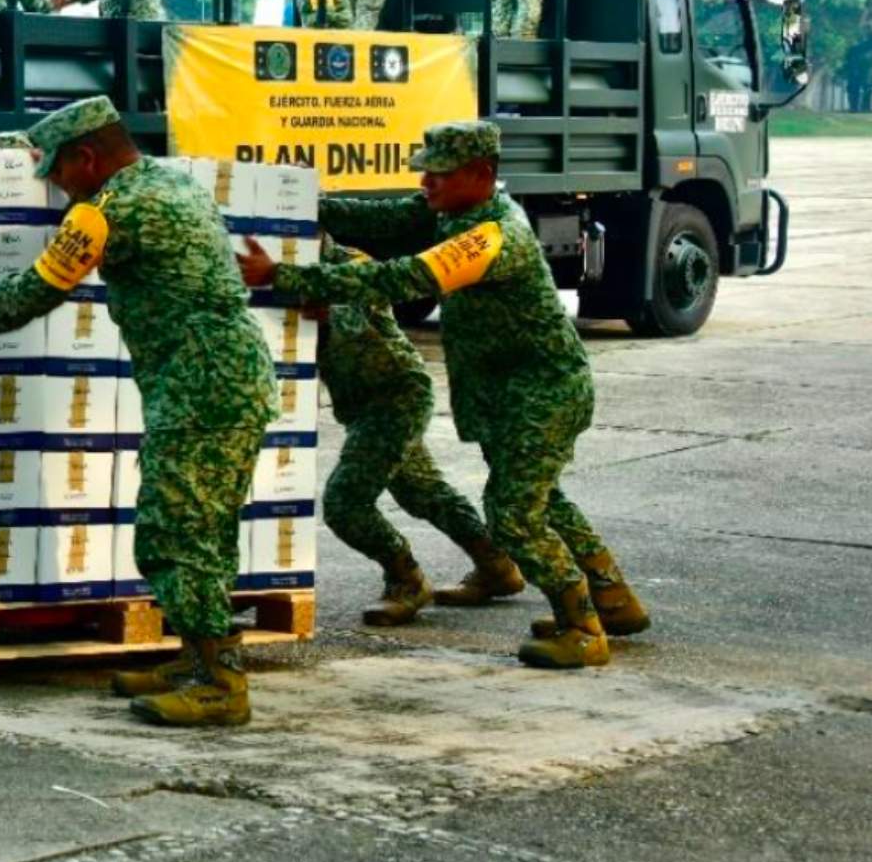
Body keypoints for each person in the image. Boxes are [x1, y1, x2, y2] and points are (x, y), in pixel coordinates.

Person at [239, 120, 649, 669]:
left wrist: (286, 277)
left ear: (480, 175)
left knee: (512, 513)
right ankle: (614, 601)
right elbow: (384, 219)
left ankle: (581, 628)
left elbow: (402, 279)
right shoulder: (454, 213)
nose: (426, 182)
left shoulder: (493, 236)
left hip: (543, 390)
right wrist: (298, 204)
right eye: (425, 171)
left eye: (439, 173)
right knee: (542, 499)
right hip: (510, 392)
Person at [0, 97, 274, 727]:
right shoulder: (169, 185)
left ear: (86, 158)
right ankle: (196, 660)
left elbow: (46, 284)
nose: (57, 186)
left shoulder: (110, 209)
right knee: (205, 526)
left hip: (202, 382)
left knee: (174, 531)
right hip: (224, 373)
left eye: (58, 173)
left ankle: (220, 686)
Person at [240, 240, 523, 626]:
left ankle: (406, 579)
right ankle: (496, 566)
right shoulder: (272, 263)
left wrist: (325, 311)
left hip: (396, 394)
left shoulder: (352, 262)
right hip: (360, 402)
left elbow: (355, 314)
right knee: (422, 492)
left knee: (346, 503)